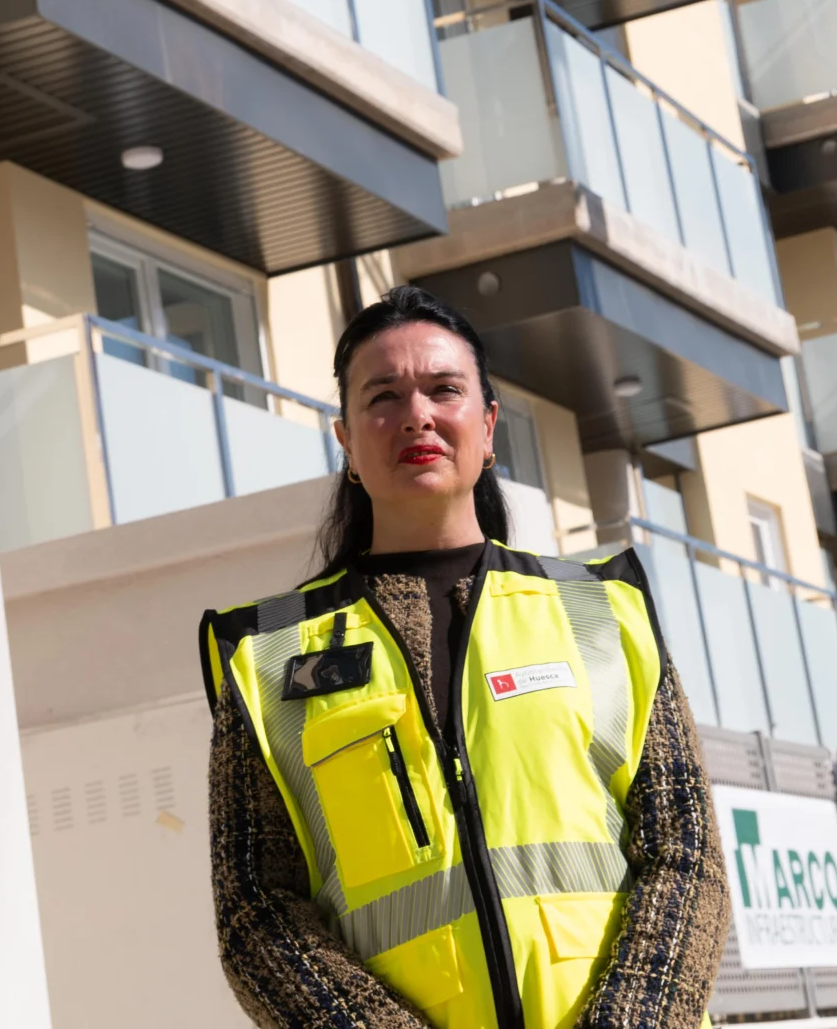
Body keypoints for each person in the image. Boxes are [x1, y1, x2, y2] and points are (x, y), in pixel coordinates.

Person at [202, 285, 728, 1029]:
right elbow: (256, 912)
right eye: (382, 395)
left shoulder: (602, 609)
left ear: (487, 427)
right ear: (346, 439)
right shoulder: (269, 657)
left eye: (443, 389)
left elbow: (687, 850)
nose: (416, 414)